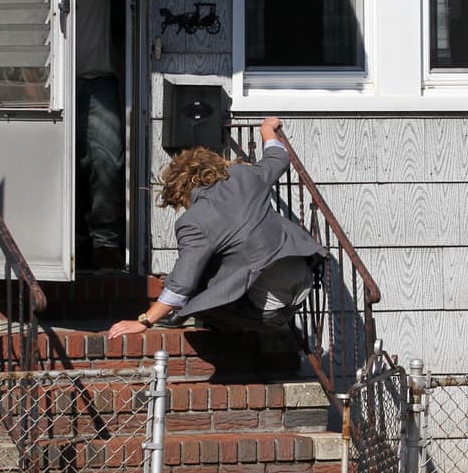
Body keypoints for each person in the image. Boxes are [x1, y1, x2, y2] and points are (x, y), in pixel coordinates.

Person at [107, 117, 325, 340]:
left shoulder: (193, 222)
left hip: (268, 312)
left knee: (196, 293)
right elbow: (278, 157)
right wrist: (267, 129)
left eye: (181, 202)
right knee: (215, 258)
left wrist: (144, 320)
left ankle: (217, 328)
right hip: (304, 283)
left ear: (182, 191)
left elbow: (182, 285)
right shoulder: (247, 176)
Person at [75, 0, 126, 270]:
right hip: (56, 81)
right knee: (66, 163)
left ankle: (106, 244)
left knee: (107, 162)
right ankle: (72, 237)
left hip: (100, 78)